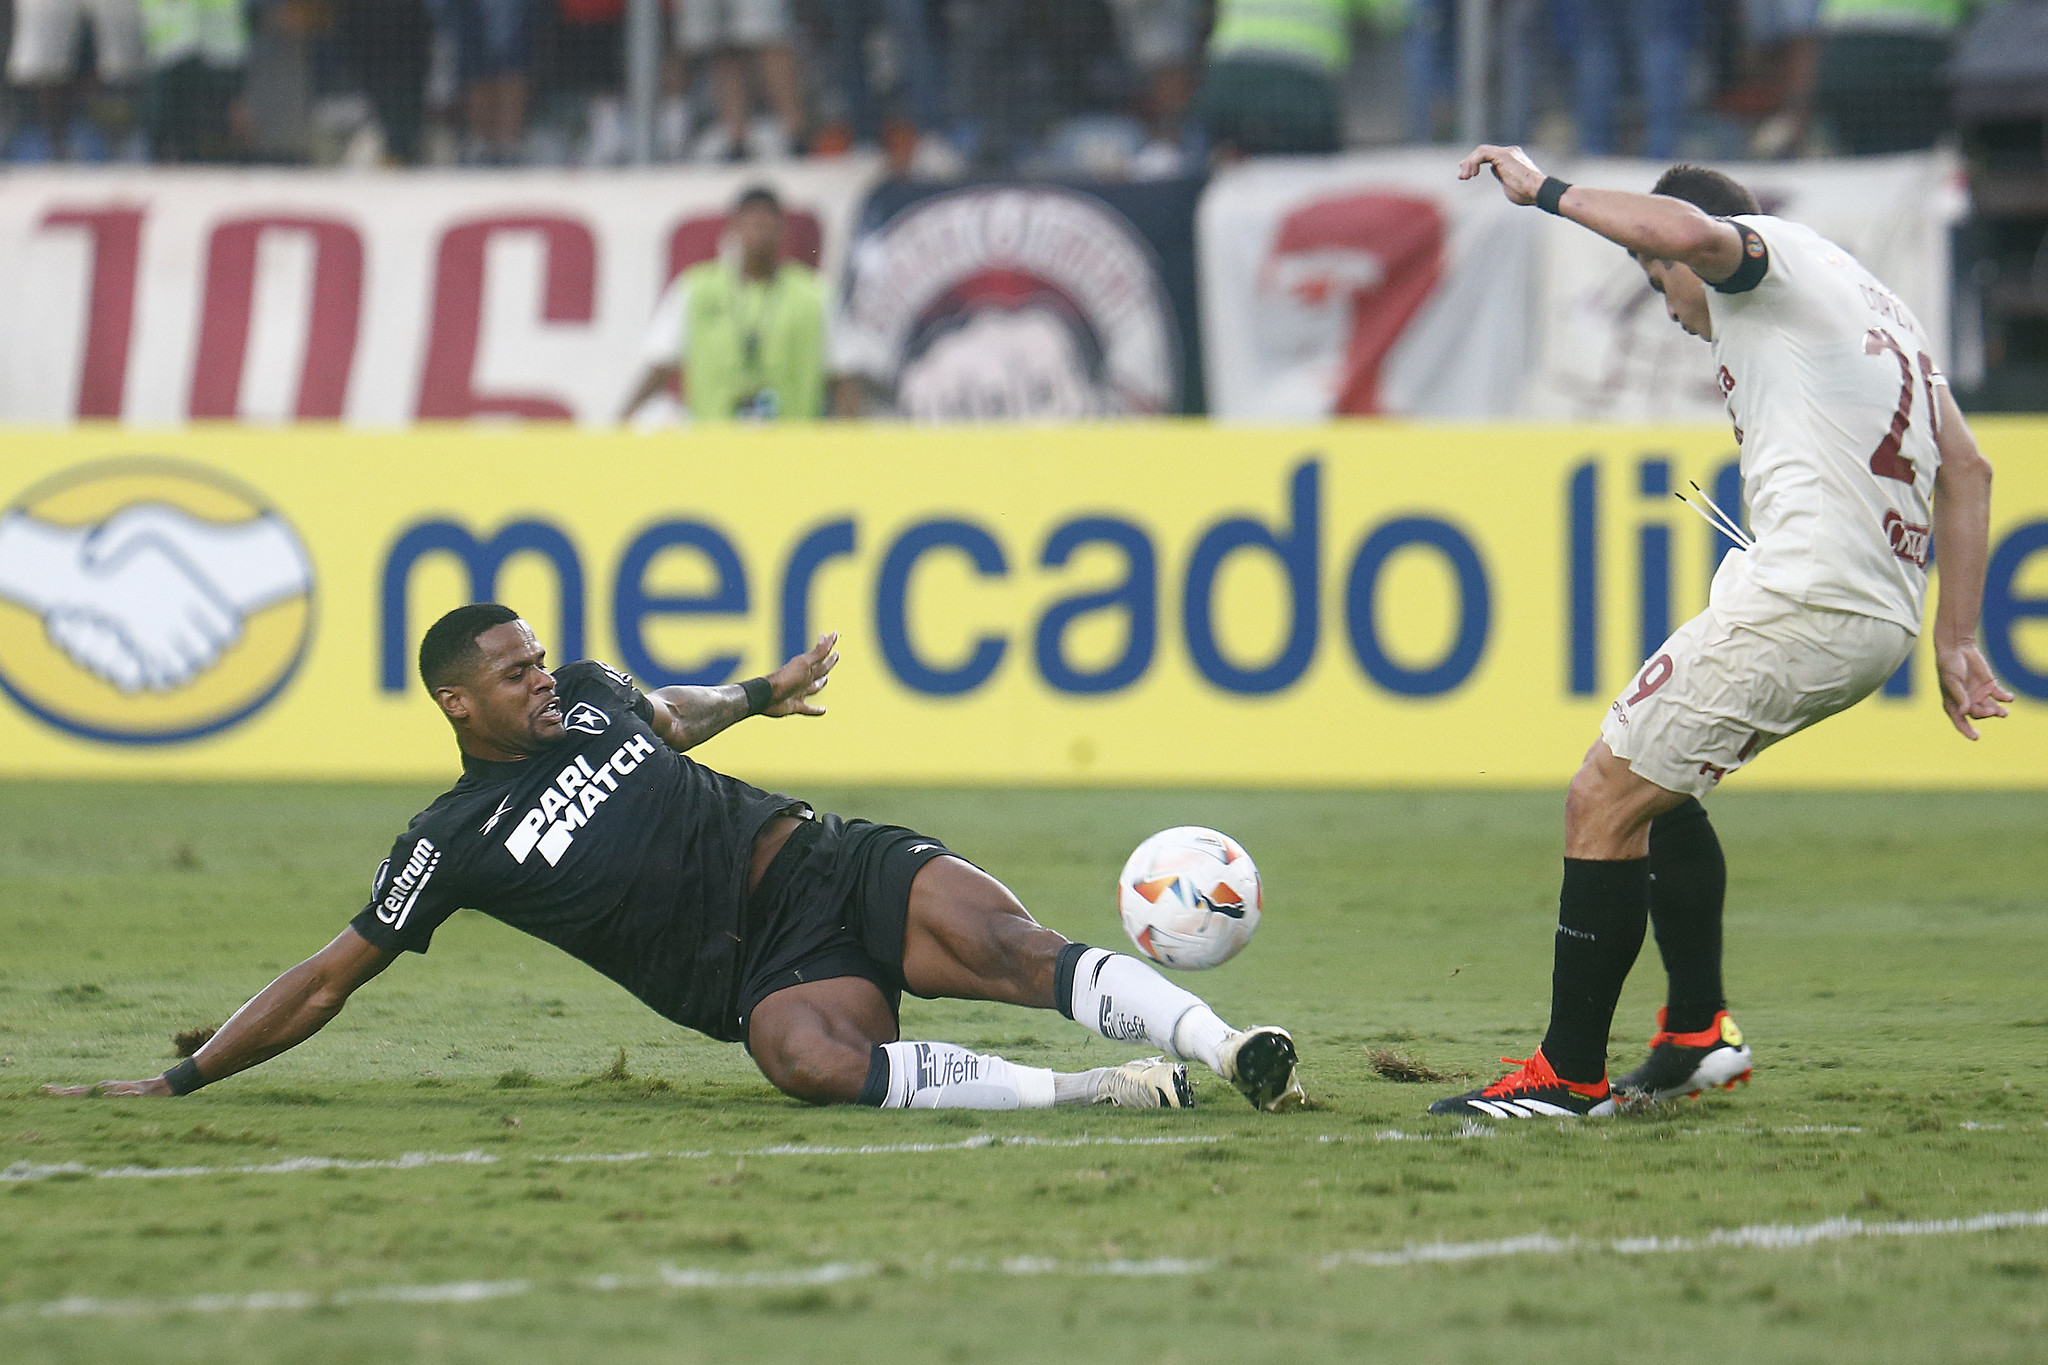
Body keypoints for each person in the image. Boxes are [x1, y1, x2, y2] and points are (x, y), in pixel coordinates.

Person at [48, 604, 1307, 1115]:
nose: (544, 678)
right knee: (805, 1064)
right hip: (756, 972)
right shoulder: (448, 843)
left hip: (822, 862)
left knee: (1012, 944)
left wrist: (761, 691)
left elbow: (668, 715)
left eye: (540, 658)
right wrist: (183, 1082)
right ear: (456, 705)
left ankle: (1225, 1050)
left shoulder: (593, 696)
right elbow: (327, 978)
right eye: (514, 672)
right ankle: (1099, 1095)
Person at [1431, 144, 2011, 1119]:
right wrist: (1954, 639)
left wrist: (1547, 195)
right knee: (1655, 789)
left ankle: (1565, 1076)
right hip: (1867, 609)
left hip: (1807, 596)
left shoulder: (1759, 260)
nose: (1666, 303)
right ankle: (1696, 1033)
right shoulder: (1875, 303)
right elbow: (1968, 470)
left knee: (1600, 797)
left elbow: (1690, 231)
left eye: (1657, 280)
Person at [619, 186, 850, 423]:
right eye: (751, 222)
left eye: (766, 223)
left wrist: (851, 445)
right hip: (713, 448)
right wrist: (621, 422)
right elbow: (659, 366)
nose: (758, 231)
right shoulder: (695, 290)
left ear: (782, 231)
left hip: (794, 448)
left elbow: (843, 378)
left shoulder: (815, 295)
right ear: (733, 228)